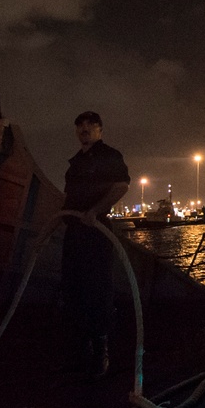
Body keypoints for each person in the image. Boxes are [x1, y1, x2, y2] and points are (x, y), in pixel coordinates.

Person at [59, 111, 129, 379]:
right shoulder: (75, 163)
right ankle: (78, 353)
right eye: (80, 126)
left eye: (90, 125)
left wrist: (95, 211)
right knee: (72, 289)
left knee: (97, 290)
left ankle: (101, 352)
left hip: (96, 233)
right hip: (74, 233)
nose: (84, 129)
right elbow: (68, 200)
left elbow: (121, 185)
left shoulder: (109, 156)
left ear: (100, 130)